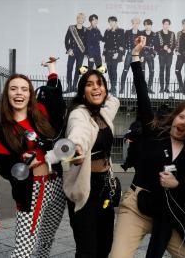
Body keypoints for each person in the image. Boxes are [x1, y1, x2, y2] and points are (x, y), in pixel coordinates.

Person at [111, 36, 185, 258]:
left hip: (167, 214)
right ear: (174, 116)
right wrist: (136, 56)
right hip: (136, 206)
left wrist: (176, 183)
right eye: (181, 116)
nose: (182, 123)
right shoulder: (154, 132)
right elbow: (143, 95)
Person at [0, 58, 66, 258]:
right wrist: (21, 162)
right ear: (7, 94)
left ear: (30, 94)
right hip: (31, 191)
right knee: (23, 249)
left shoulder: (40, 113)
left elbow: (55, 96)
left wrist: (52, 70)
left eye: (24, 89)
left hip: (56, 185)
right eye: (14, 89)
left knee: (47, 240)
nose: (19, 93)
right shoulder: (1, 131)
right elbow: (2, 165)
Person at [64, 67, 120, 257]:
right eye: (90, 85)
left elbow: (114, 101)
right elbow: (79, 132)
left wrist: (103, 92)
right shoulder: (79, 114)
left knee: (105, 244)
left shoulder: (103, 113)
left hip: (105, 185)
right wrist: (76, 147)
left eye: (100, 84)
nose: (96, 88)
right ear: (82, 91)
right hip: (86, 187)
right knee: (87, 249)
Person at [64, 13, 87, 93]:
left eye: (82, 18)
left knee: (78, 70)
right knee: (69, 68)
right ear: (77, 19)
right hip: (72, 52)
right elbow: (66, 40)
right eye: (79, 18)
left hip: (81, 52)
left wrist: (85, 53)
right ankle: (69, 87)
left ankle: (74, 86)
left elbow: (86, 43)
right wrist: (68, 50)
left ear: (84, 20)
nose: (80, 19)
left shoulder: (85, 30)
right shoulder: (71, 28)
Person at [103, 16, 125, 95]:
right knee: (109, 70)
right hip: (108, 54)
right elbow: (105, 43)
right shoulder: (107, 31)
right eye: (110, 22)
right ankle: (112, 86)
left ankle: (114, 87)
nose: (111, 23)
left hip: (116, 54)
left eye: (112, 21)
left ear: (116, 22)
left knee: (114, 70)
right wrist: (103, 54)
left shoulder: (121, 31)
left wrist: (119, 53)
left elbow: (123, 44)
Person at [120, 17, 142, 94]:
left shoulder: (141, 33)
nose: (135, 25)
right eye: (133, 23)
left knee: (135, 73)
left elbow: (142, 46)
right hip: (129, 53)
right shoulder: (127, 32)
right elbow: (123, 43)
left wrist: (141, 56)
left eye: (136, 23)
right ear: (132, 24)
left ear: (138, 24)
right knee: (125, 70)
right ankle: (121, 88)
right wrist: (122, 54)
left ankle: (133, 90)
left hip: (137, 54)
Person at [157, 18, 176, 93]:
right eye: (165, 24)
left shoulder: (172, 33)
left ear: (169, 25)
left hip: (169, 55)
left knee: (168, 71)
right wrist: (162, 47)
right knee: (161, 71)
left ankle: (167, 88)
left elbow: (174, 44)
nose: (166, 25)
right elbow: (156, 45)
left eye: (167, 24)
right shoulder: (158, 33)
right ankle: (161, 88)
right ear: (163, 24)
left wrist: (171, 49)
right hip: (161, 55)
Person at [140, 19, 157, 94]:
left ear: (151, 25)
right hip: (142, 55)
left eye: (149, 25)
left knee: (152, 71)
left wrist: (153, 54)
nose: (147, 26)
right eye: (146, 25)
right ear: (144, 25)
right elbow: (138, 45)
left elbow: (156, 46)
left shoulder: (154, 34)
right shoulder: (141, 33)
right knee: (142, 72)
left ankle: (149, 88)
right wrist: (140, 55)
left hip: (150, 55)